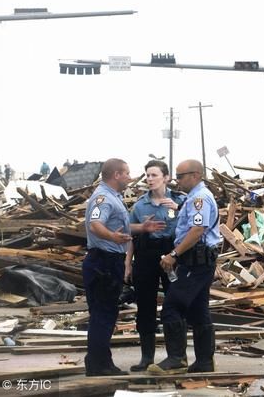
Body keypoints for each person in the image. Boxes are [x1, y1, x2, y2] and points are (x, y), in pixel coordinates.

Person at [83, 158, 164, 376]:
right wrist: (112, 237)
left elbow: (120, 225)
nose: (130, 177)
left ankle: (101, 361)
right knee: (103, 314)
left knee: (106, 314)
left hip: (110, 261)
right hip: (104, 262)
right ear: (116, 175)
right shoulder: (103, 198)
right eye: (127, 173)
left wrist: (142, 228)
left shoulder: (114, 197)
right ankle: (97, 365)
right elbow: (96, 224)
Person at [148, 159, 221, 375]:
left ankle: (176, 359)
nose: (177, 181)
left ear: (195, 175)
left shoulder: (199, 198)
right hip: (199, 261)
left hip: (195, 262)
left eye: (180, 176)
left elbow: (198, 229)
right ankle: (204, 362)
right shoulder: (194, 198)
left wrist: (173, 254)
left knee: (172, 307)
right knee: (198, 311)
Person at [124, 160, 186, 372]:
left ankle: (177, 355)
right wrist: (128, 263)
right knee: (145, 306)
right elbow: (131, 235)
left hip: (172, 254)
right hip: (146, 255)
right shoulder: (141, 205)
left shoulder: (180, 200)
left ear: (166, 177)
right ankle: (146, 357)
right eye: (147, 175)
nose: (149, 179)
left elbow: (194, 228)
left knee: (175, 304)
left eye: (154, 175)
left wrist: (178, 209)